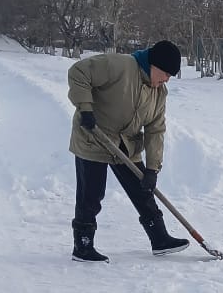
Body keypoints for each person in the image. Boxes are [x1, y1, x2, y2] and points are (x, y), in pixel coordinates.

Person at [67, 40, 189, 262]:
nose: (167, 80)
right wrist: (85, 108)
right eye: (165, 73)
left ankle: (160, 239)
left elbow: (155, 129)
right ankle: (83, 246)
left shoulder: (159, 92)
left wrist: (152, 168)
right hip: (94, 135)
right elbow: (79, 72)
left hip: (126, 143)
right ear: (154, 64)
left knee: (143, 190)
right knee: (91, 194)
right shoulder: (120, 66)